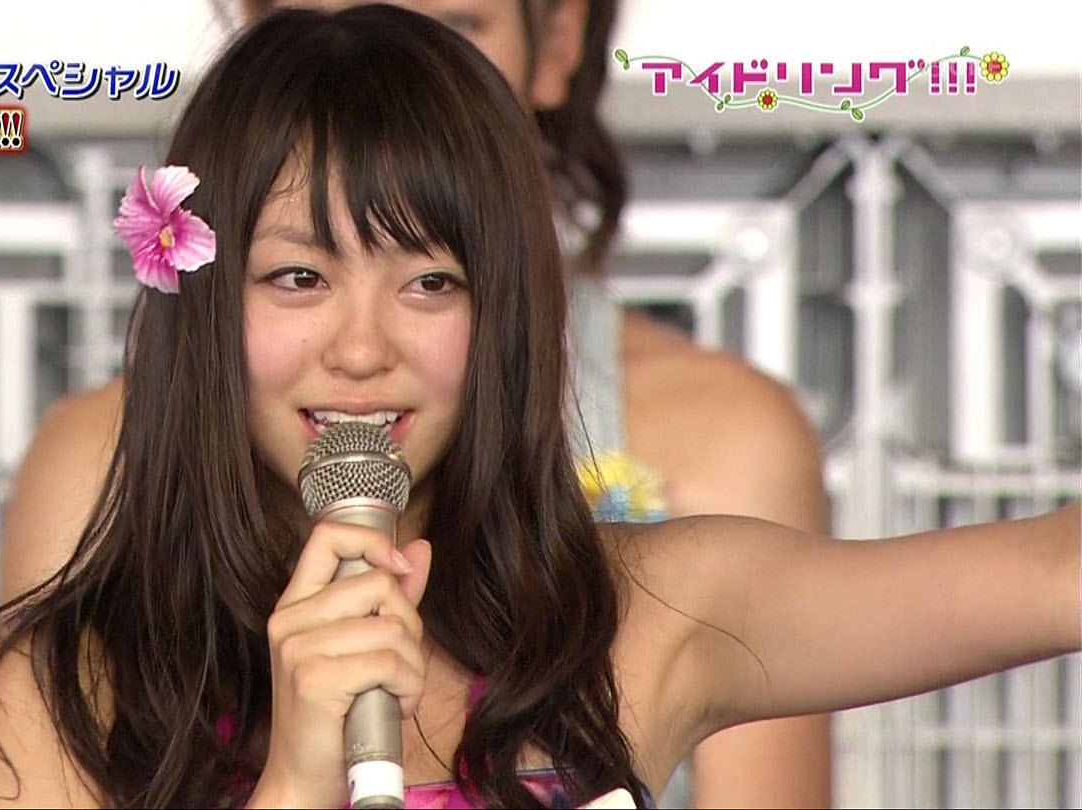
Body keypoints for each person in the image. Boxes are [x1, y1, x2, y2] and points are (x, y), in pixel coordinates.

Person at [0, 6, 1080, 809]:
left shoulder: (641, 619)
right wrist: (294, 782)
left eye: (430, 283)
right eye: (298, 276)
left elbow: (1052, 575)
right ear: (199, 298)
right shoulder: (53, 690)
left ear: (508, 311)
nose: (362, 349)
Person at [224, 1, 833, 806]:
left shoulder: (701, 500)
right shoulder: (87, 629)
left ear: (557, 40)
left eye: (454, 29)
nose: (360, 351)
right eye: (300, 278)